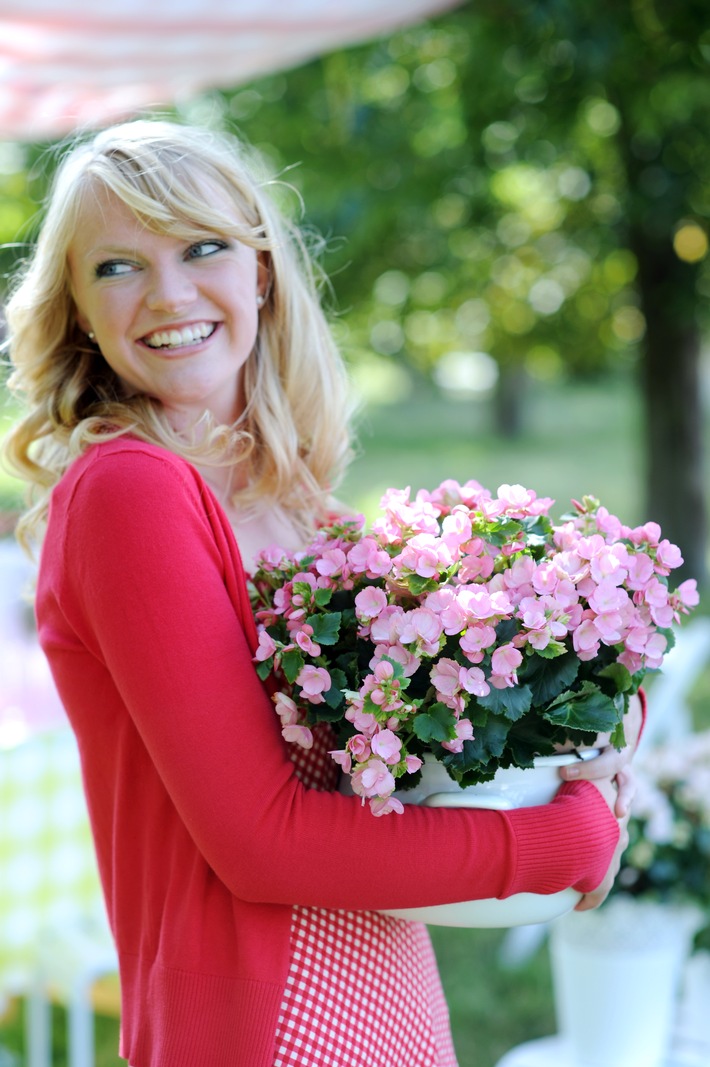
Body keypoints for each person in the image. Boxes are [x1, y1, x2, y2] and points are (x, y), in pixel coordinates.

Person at [3, 119, 642, 1067]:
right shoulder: (129, 492)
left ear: (260, 270)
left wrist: (589, 740)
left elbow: (434, 741)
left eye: (203, 247)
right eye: (118, 267)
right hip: (257, 1027)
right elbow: (263, 842)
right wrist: (556, 842)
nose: (170, 293)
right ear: (81, 313)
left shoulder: (301, 503)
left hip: (389, 985)